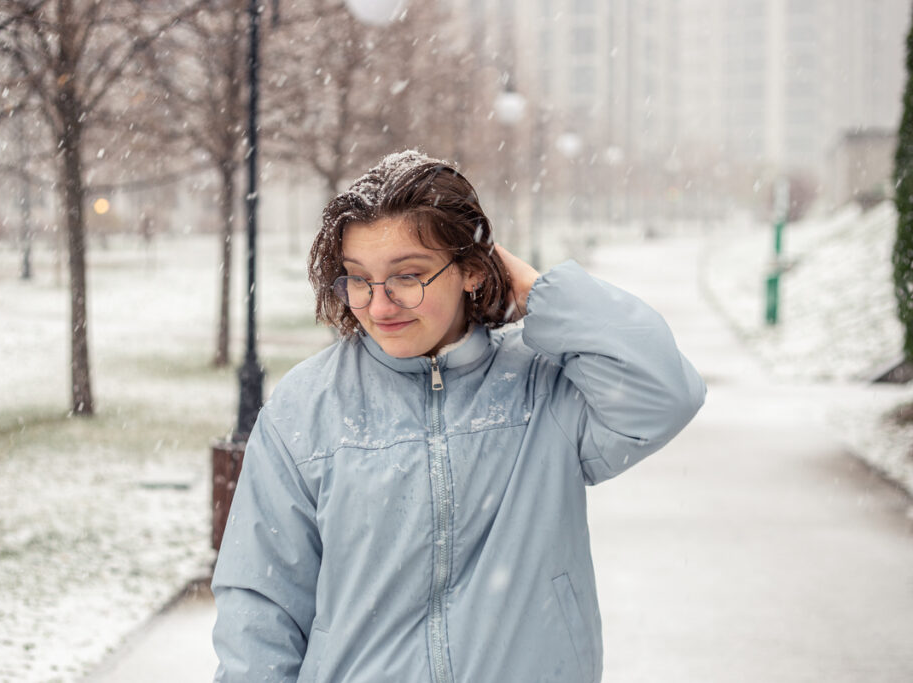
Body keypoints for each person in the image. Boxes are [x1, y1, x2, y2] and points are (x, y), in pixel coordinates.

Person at [211, 150, 706, 683]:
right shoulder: (306, 408)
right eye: (358, 279)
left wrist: (538, 294)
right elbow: (260, 608)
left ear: (471, 268)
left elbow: (664, 393)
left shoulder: (543, 387)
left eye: (408, 276)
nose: (380, 307)